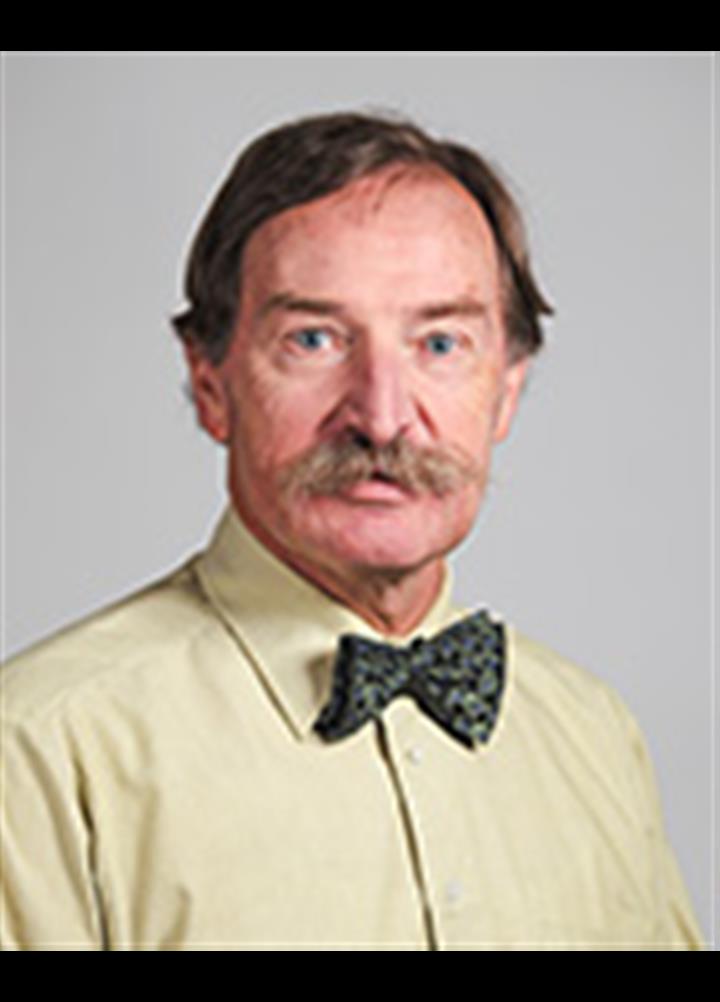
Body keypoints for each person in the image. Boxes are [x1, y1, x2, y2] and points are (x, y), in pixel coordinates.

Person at [1, 111, 704, 951]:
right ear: (211, 382)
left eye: (439, 343)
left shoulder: (595, 737)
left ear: (506, 391)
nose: (381, 415)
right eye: (314, 339)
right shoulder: (40, 750)